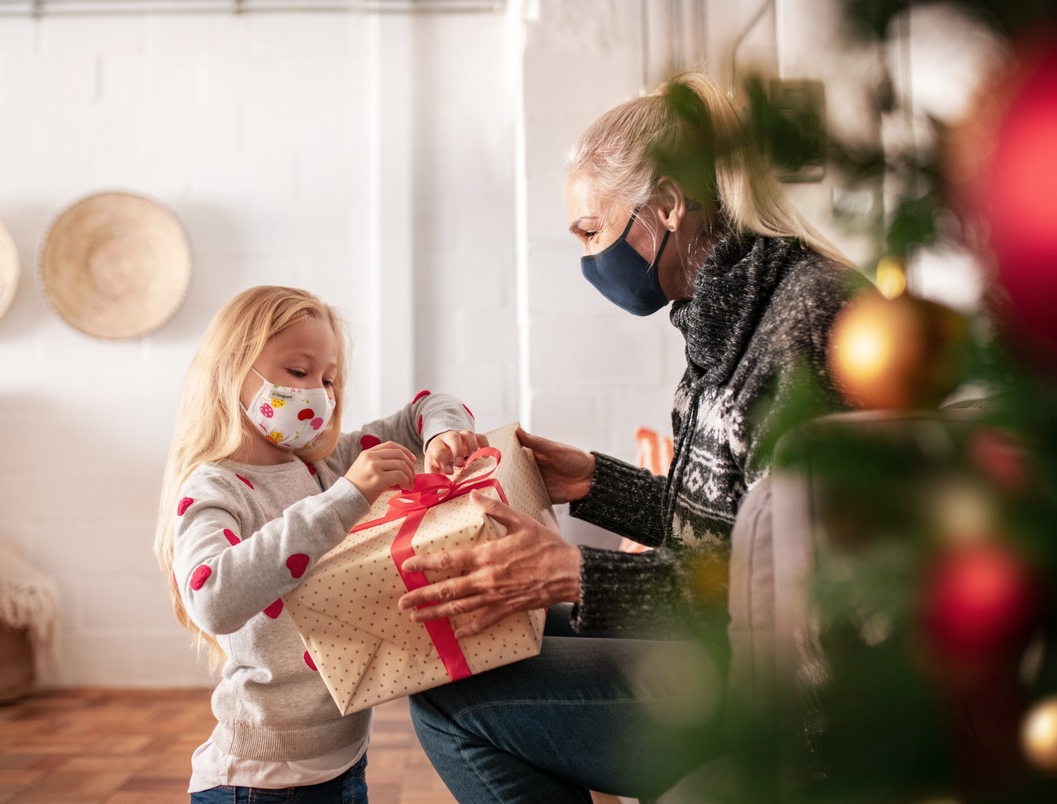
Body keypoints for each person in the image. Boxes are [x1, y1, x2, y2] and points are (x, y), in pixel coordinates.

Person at [398, 71, 873, 801]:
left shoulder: (807, 321)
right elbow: (728, 534)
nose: (589, 257)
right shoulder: (728, 317)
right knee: (483, 649)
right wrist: (592, 481)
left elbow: (789, 594)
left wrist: (573, 575)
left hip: (780, 696)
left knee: (447, 698)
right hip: (724, 644)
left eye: (593, 231)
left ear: (670, 206)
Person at [153, 285, 484, 803]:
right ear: (232, 369)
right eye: (299, 372)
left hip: (343, 763)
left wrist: (444, 436)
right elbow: (212, 599)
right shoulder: (215, 486)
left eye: (329, 379)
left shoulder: (322, 465)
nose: (320, 394)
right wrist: (347, 498)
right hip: (257, 782)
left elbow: (430, 406)